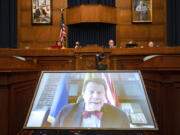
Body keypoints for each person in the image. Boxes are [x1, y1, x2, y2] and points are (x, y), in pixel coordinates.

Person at [53, 79, 129, 128]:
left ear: (105, 95)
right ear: (83, 94)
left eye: (99, 92)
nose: (95, 96)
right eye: (91, 92)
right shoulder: (65, 112)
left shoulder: (120, 116)